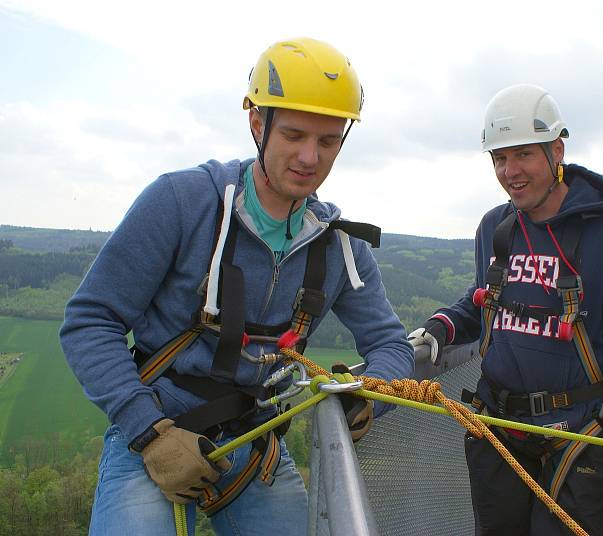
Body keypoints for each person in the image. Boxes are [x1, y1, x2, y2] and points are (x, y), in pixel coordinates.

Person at [60, 37, 414, 536]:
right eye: (293, 134)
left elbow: (390, 344)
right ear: (256, 124)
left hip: (254, 442)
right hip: (154, 427)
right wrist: (148, 431)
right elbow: (90, 322)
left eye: (328, 141)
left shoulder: (338, 246)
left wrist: (368, 394)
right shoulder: (182, 203)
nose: (310, 157)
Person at [408, 84, 603, 535]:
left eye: (523, 155)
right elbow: (485, 299)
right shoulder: (497, 226)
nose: (510, 171)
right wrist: (443, 326)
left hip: (579, 439)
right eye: (498, 159)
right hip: (498, 430)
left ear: (556, 150)